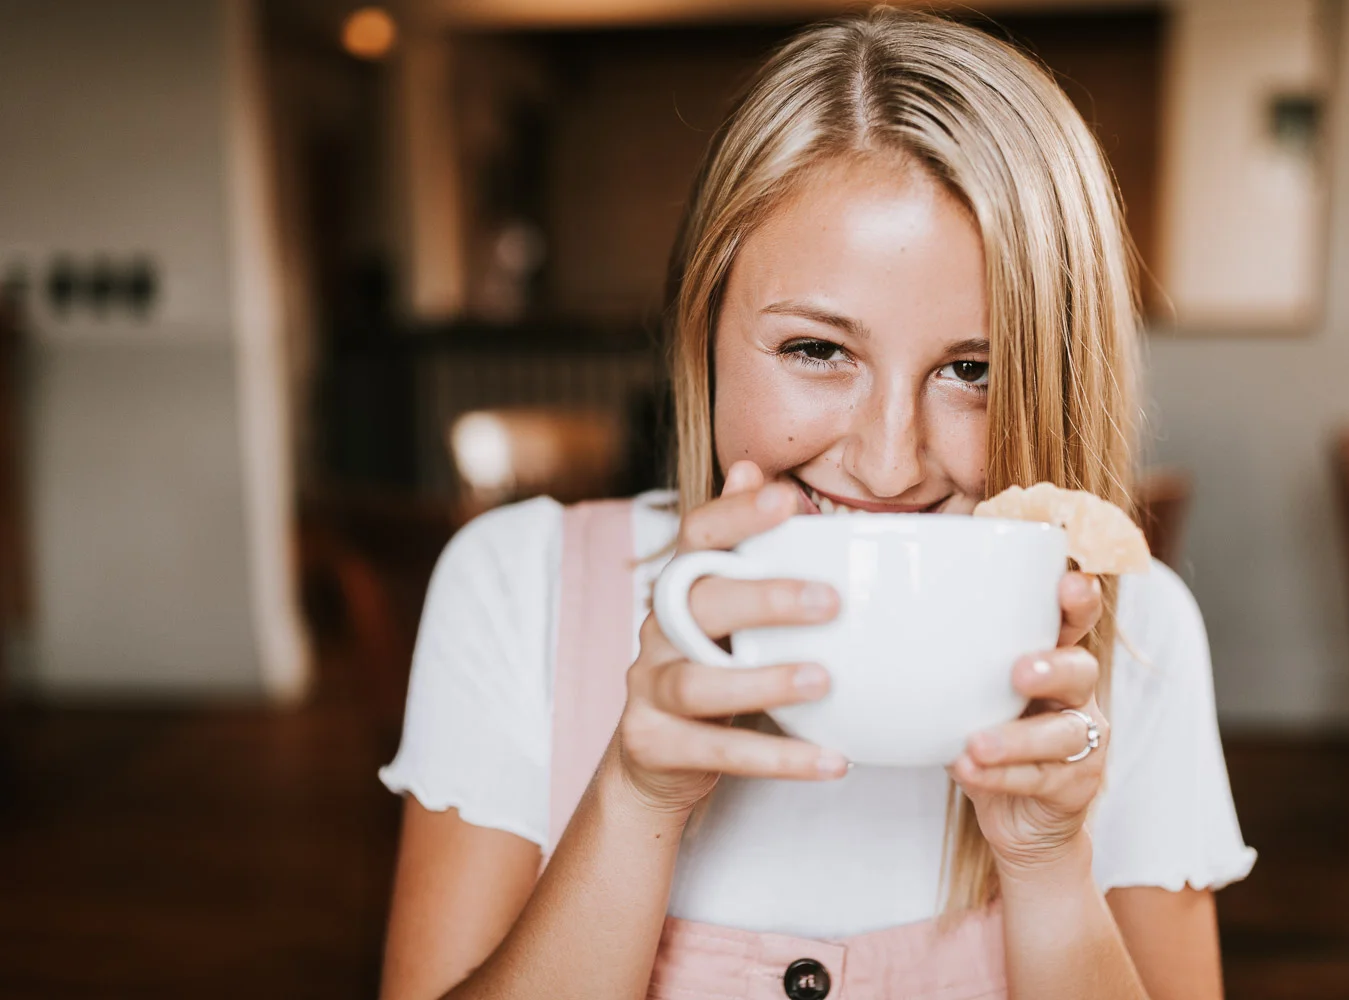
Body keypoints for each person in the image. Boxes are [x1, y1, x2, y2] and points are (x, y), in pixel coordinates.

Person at [377, 8, 1256, 998]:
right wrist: (633, 797)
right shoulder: (520, 588)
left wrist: (1049, 868)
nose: (887, 463)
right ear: (703, 329)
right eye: (817, 350)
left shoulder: (1131, 648)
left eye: (972, 369)